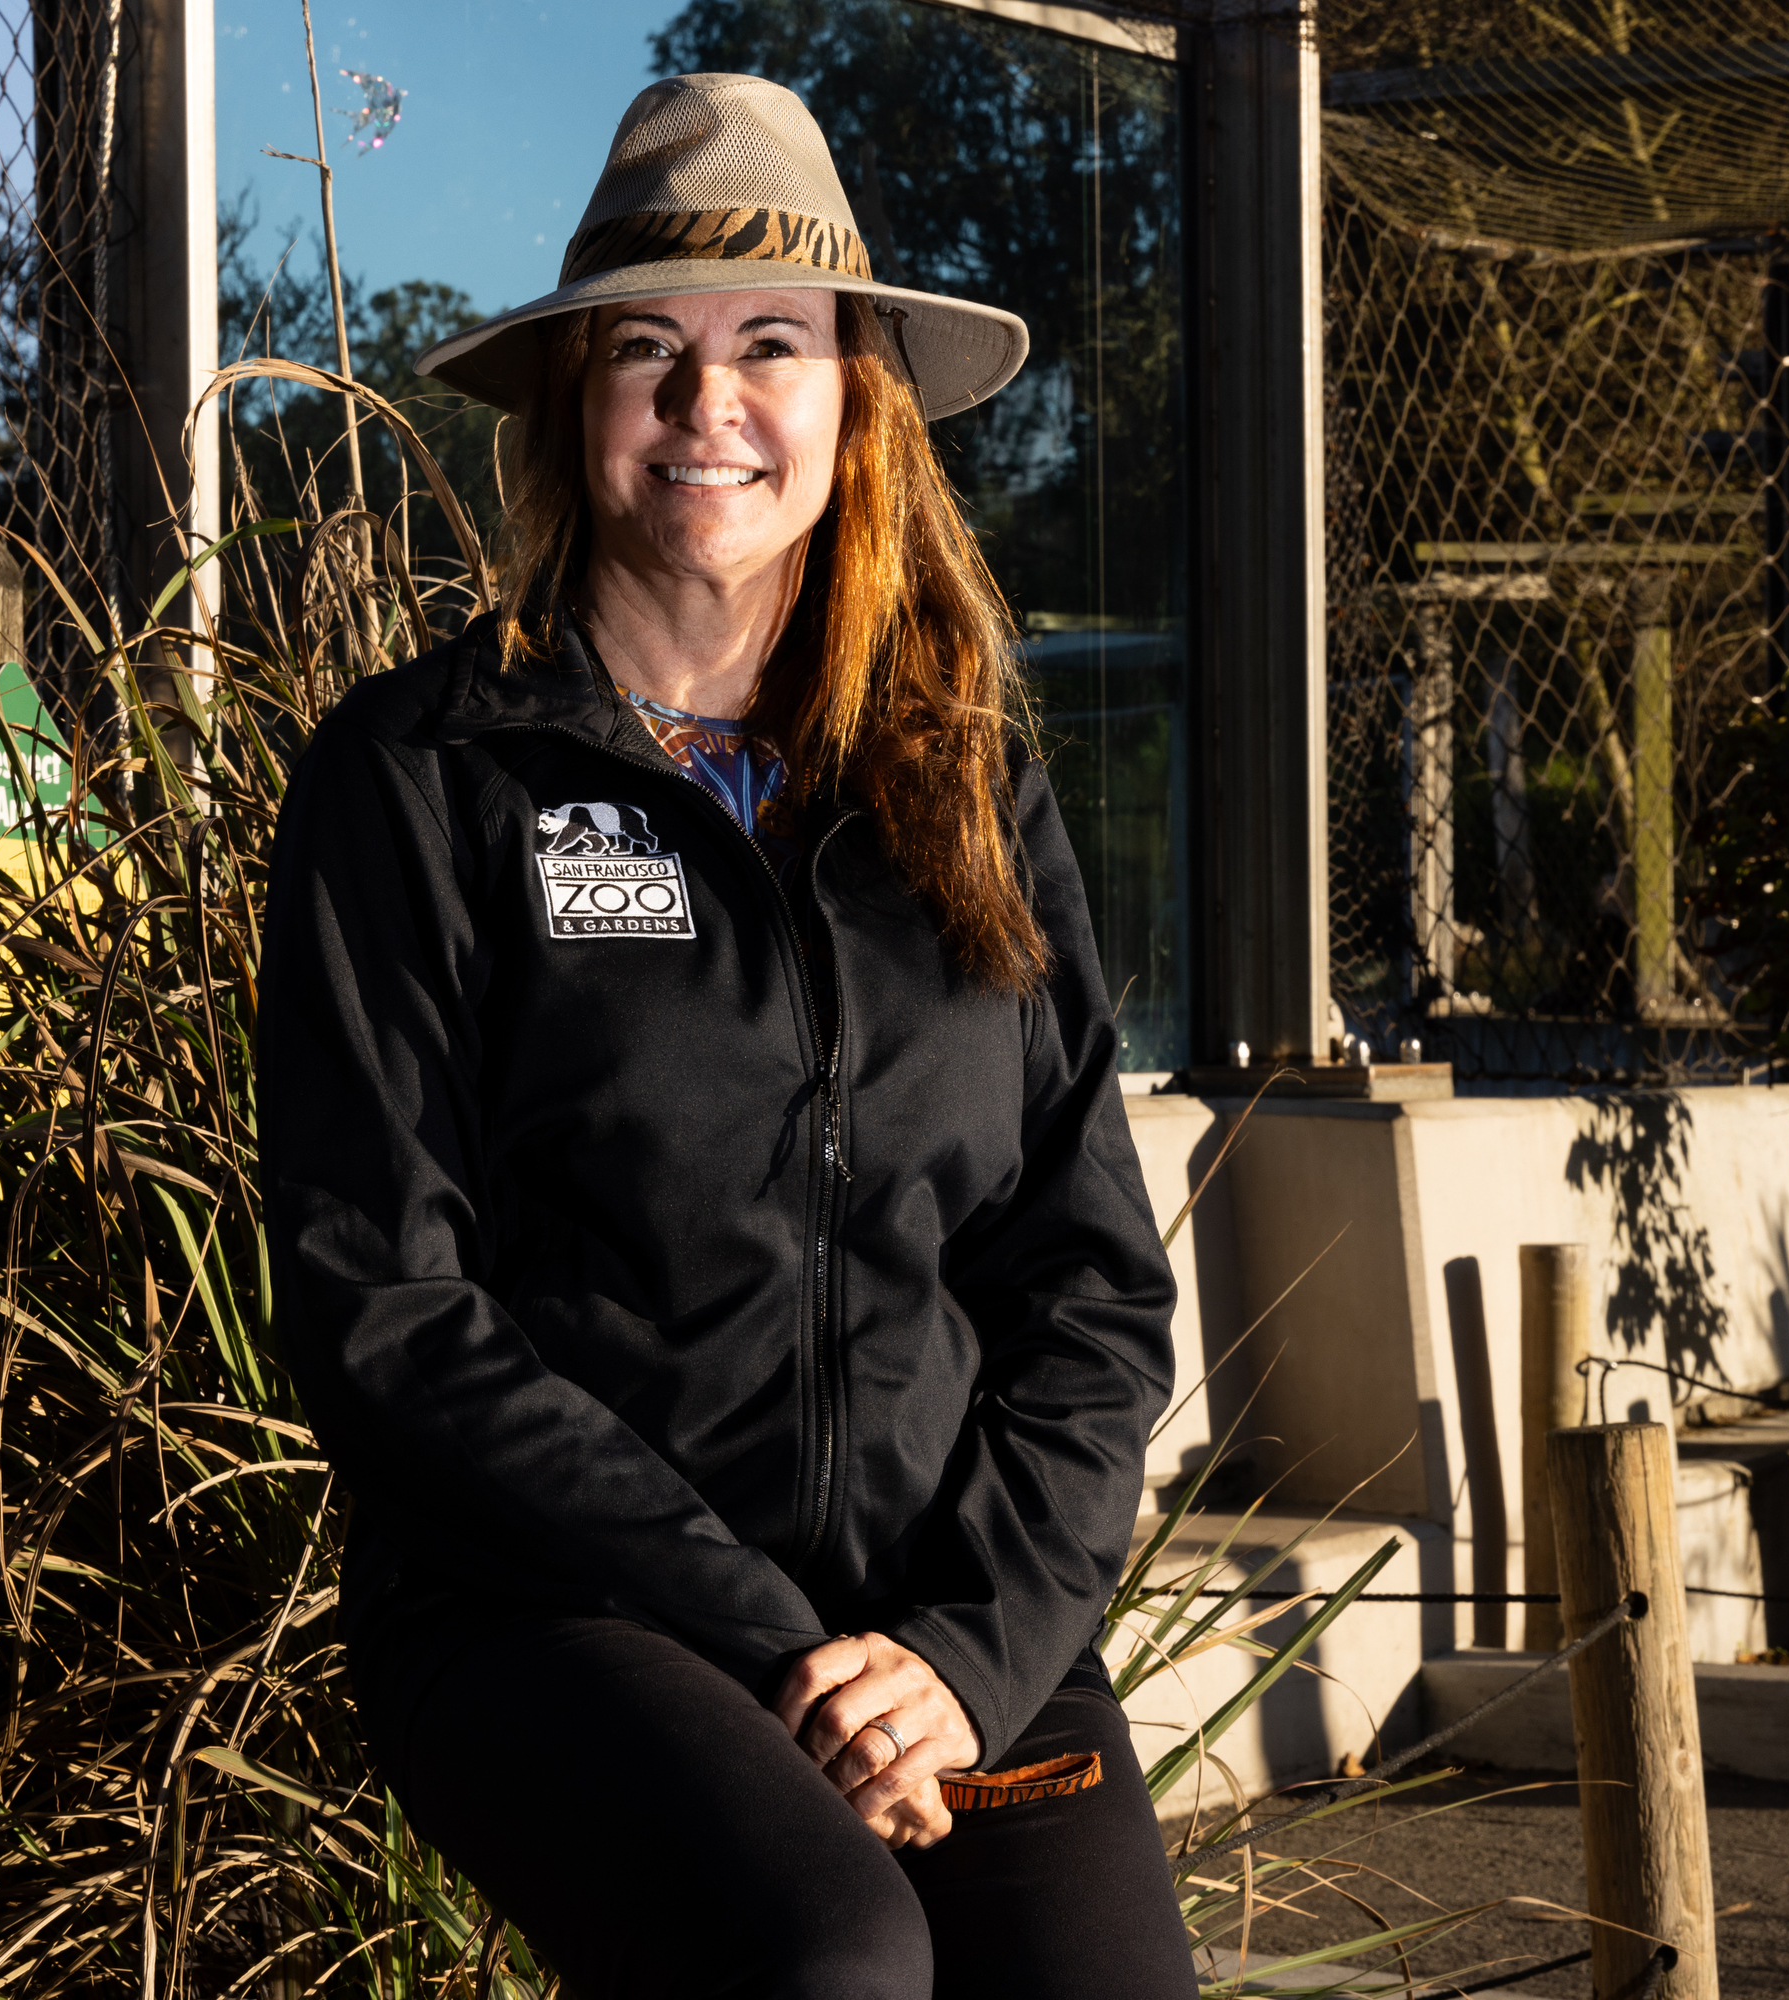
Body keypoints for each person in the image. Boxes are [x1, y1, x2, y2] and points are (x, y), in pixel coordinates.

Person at [257, 72, 1196, 2000]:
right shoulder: (425, 781)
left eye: (770, 345)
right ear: (572, 405)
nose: (709, 407)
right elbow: (385, 1309)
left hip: (946, 1634)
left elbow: (1089, 1287)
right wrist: (765, 1632)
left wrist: (962, 1658)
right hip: (559, 1616)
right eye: (646, 352)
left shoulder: (963, 782)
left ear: (857, 402)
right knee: (823, 1958)